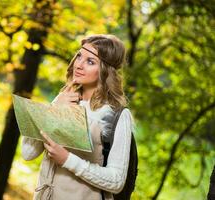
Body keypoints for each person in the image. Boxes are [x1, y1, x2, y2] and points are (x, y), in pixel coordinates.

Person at [22, 34, 135, 200]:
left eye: (90, 61)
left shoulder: (117, 115)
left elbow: (116, 181)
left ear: (105, 71)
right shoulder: (63, 99)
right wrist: (53, 110)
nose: (79, 65)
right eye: (80, 56)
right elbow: (28, 153)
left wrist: (67, 159)